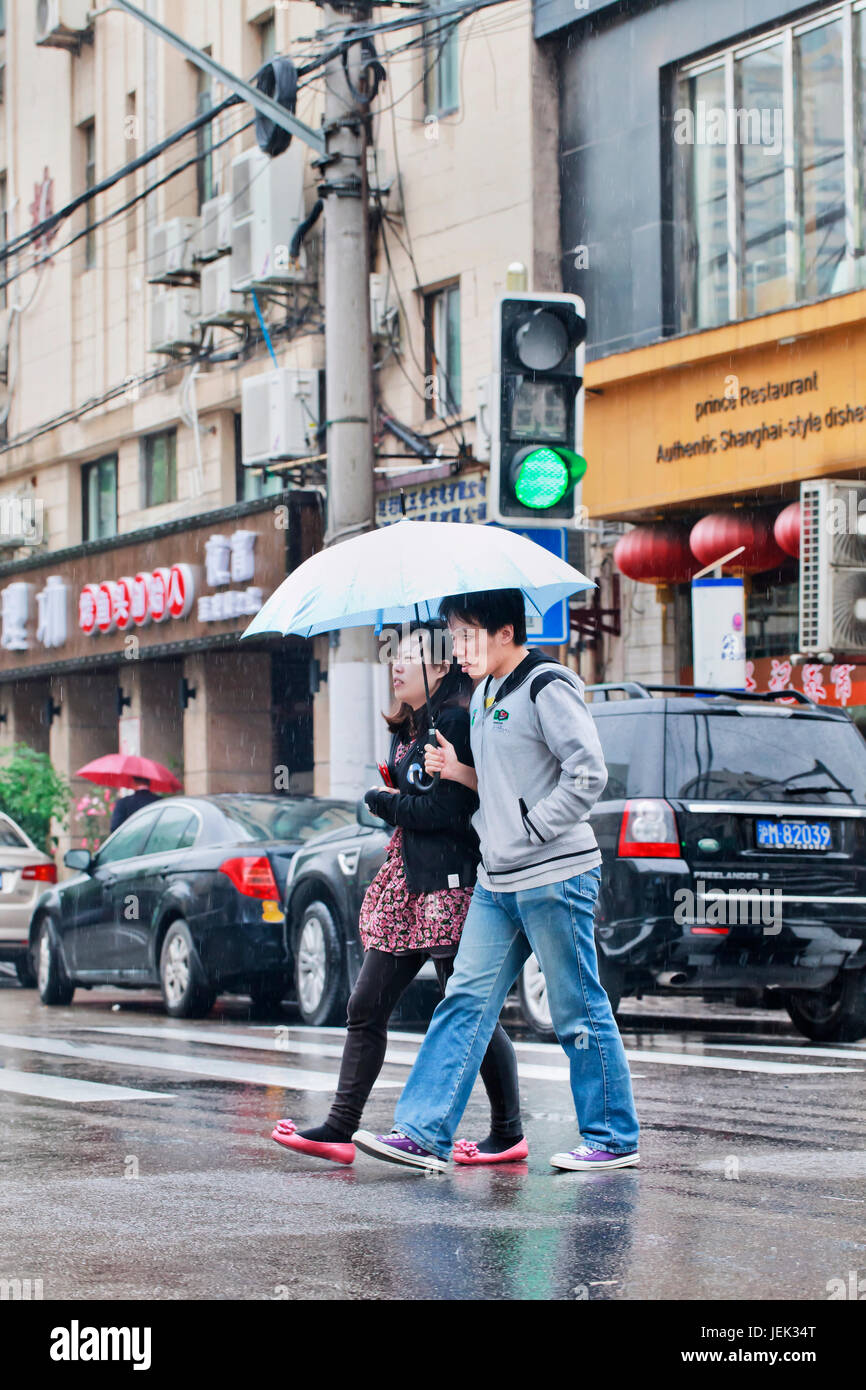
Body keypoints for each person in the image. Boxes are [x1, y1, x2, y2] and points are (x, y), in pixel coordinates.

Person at [353, 589, 640, 1173]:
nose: (457, 649)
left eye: (465, 636)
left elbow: (588, 773)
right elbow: (500, 782)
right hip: (497, 878)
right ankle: (423, 1132)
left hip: (555, 875)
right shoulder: (484, 694)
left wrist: (534, 826)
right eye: (453, 637)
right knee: (463, 1001)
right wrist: (455, 770)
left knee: (576, 1008)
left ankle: (612, 1138)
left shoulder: (546, 684)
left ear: (506, 632)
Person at [272, 620, 525, 1167]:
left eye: (408, 656)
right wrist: (394, 793)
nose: (396, 664)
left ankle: (508, 1132)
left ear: (439, 668)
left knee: (468, 1011)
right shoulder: (409, 728)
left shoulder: (454, 721)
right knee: (366, 1005)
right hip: (407, 886)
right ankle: (340, 1127)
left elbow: (449, 812)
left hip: (448, 886)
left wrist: (383, 801)